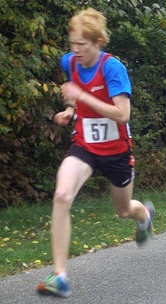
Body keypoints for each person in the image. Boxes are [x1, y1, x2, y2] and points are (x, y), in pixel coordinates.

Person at [37, 8, 155, 297]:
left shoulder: (112, 68)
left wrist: (81, 97)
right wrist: (69, 110)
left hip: (116, 151)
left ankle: (143, 215)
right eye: (72, 43)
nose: (75, 50)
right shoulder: (70, 62)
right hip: (85, 146)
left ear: (98, 42)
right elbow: (77, 98)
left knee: (123, 210)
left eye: (82, 45)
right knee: (62, 195)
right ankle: (60, 276)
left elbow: (122, 115)